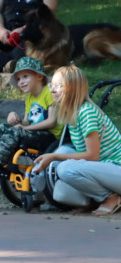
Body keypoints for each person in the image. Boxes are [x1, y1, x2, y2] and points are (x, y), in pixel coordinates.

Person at [33, 65, 121, 215]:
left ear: (73, 89)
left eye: (58, 86)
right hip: (103, 170)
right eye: (52, 85)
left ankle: (110, 197)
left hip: (116, 169)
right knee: (60, 193)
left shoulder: (86, 112)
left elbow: (92, 156)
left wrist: (54, 156)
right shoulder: (72, 113)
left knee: (65, 169)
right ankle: (95, 200)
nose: (52, 90)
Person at [0, 56, 61, 178]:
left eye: (25, 76)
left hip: (50, 137)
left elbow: (51, 122)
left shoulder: (49, 92)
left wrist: (23, 129)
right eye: (18, 79)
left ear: (39, 76)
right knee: (4, 127)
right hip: (36, 134)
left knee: (16, 131)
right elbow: (26, 123)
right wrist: (15, 119)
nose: (21, 82)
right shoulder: (30, 98)